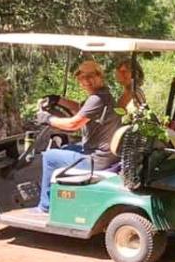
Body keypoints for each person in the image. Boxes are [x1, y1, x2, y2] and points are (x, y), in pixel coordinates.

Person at [32, 60, 121, 214]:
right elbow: (81, 109)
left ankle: (45, 206)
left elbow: (73, 124)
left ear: (100, 76)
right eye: (82, 77)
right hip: (105, 155)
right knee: (66, 148)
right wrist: (58, 100)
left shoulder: (97, 98)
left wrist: (48, 119)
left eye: (91, 76)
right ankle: (63, 197)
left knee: (49, 157)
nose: (86, 80)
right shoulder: (103, 95)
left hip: (96, 160)